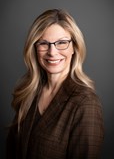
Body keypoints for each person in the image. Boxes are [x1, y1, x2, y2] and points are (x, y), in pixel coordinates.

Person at [6, 9, 104, 159]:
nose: (52, 52)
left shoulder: (85, 103)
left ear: (74, 48)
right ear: (34, 48)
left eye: (62, 43)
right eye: (43, 43)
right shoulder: (29, 93)